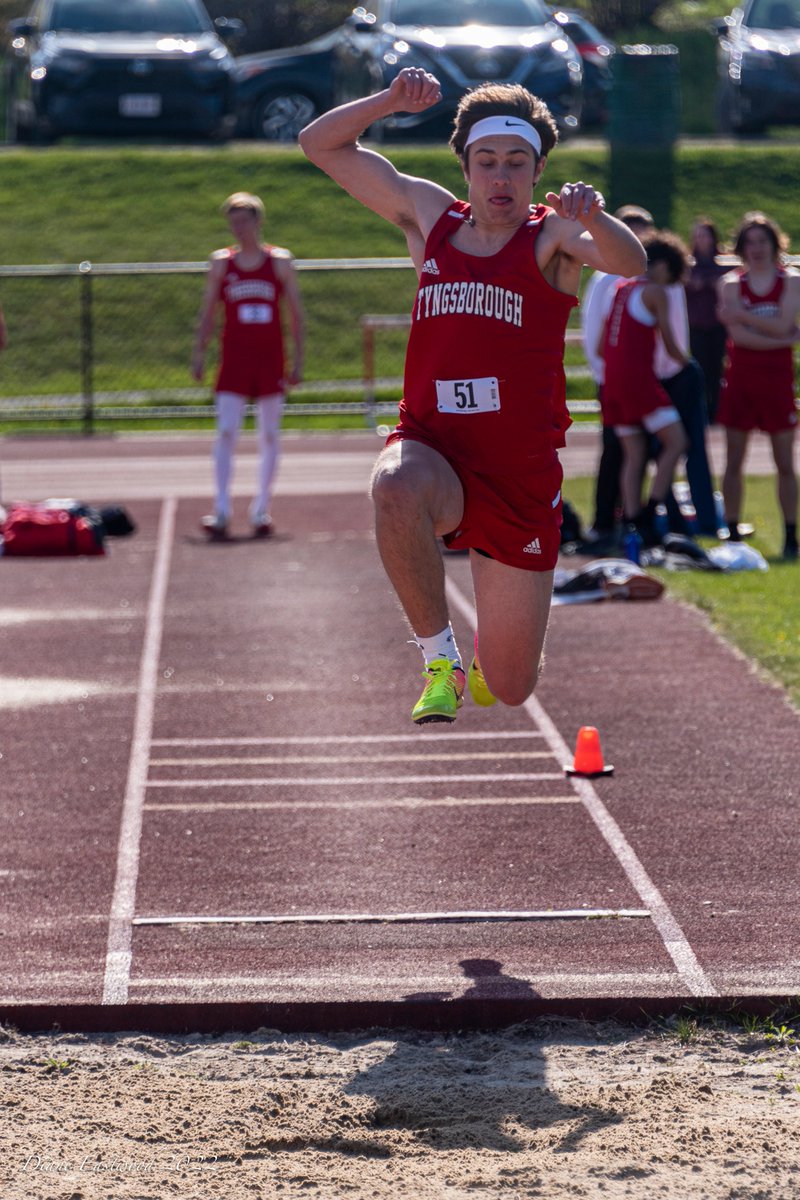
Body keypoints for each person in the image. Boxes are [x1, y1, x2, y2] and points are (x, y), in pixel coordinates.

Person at [299, 70, 645, 724]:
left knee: (512, 687)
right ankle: (441, 661)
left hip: (517, 472)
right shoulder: (430, 216)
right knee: (394, 485)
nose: (500, 177)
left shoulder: (552, 235)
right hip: (435, 447)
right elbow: (319, 144)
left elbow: (632, 264)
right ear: (465, 168)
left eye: (516, 162)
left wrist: (596, 216)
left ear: (538, 170)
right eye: (486, 161)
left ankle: (489, 661)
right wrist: (388, 102)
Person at [191, 192, 305, 538]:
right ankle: (221, 509)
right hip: (234, 360)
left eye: (244, 221)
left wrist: (298, 359)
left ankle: (261, 510)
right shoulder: (221, 264)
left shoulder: (280, 262)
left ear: (258, 221)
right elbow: (208, 312)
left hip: (270, 359)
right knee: (227, 432)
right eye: (233, 222)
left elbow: (296, 314)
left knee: (269, 434)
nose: (238, 228)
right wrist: (199, 352)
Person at [717, 211, 800, 561]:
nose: (756, 248)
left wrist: (743, 315)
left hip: (778, 380)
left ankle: (791, 536)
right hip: (741, 380)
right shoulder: (731, 284)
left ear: (774, 244)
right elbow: (742, 337)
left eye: (762, 241)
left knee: (785, 461)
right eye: (749, 242)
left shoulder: (791, 280)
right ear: (740, 247)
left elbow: (784, 325)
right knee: (733, 459)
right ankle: (732, 532)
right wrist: (780, 335)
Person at [599, 233, 689, 542]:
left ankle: (632, 520)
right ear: (663, 266)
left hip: (612, 383)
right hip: (638, 382)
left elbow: (600, 346)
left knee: (634, 453)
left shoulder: (620, 289)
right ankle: (651, 511)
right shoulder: (655, 291)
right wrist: (689, 364)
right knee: (676, 442)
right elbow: (671, 343)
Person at [580, 204, 655, 547]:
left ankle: (630, 517)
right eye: (632, 233)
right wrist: (605, 376)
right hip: (613, 382)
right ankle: (603, 521)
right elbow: (594, 333)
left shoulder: (646, 278)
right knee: (614, 451)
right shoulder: (605, 278)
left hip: (641, 382)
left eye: (644, 234)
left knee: (638, 451)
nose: (639, 241)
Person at [685, 217, 729, 425]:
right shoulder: (687, 263)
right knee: (698, 369)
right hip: (695, 326)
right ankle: (701, 411)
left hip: (718, 325)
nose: (700, 240)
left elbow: (728, 282)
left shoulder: (724, 262)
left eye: (704, 235)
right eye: (697, 236)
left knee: (717, 369)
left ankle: (718, 410)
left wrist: (712, 283)